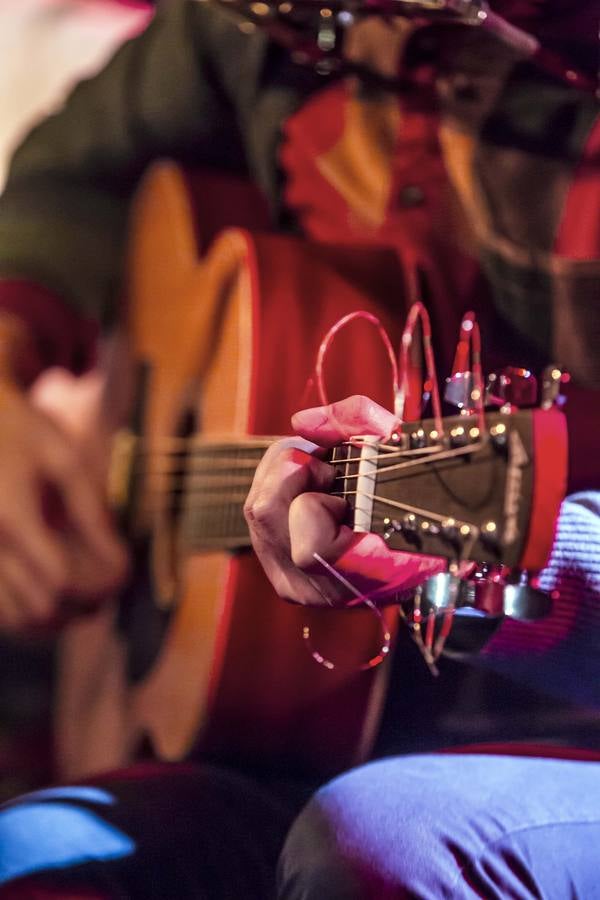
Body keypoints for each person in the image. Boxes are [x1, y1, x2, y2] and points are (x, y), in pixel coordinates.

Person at [0, 0, 598, 895]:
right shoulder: (275, 25)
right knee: (33, 855)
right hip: (300, 725)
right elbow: (75, 169)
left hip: (559, 716)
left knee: (381, 848)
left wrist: (540, 567)